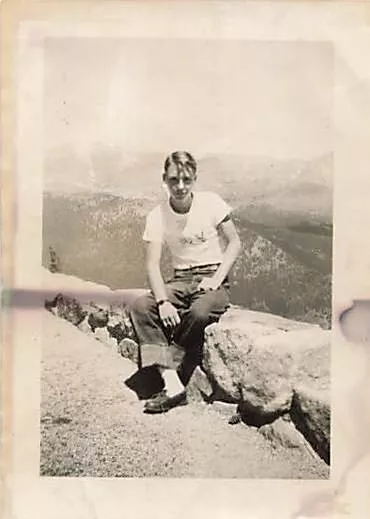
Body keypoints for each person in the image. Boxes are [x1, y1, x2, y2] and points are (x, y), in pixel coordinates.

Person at [129, 151, 241, 413]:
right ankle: (173, 383)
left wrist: (216, 279)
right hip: (180, 279)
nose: (180, 187)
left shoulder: (212, 203)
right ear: (164, 180)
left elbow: (235, 242)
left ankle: (171, 366)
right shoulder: (157, 216)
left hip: (213, 277)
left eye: (186, 180)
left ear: (195, 179)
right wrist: (163, 302)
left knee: (200, 312)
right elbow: (152, 264)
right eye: (173, 180)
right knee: (140, 307)